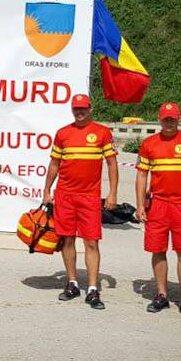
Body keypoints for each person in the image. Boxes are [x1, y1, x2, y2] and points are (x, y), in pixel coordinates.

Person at [42, 94, 118, 309]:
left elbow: (112, 164)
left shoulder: (102, 132)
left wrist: (112, 193)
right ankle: (72, 283)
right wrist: (47, 190)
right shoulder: (63, 133)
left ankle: (93, 289)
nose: (79, 112)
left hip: (89, 197)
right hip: (65, 195)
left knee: (91, 242)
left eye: (83, 108)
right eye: (76, 108)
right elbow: (54, 164)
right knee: (67, 240)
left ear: (90, 108)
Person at [135, 102, 181, 316]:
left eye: (172, 119)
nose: (168, 123)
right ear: (159, 119)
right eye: (165, 119)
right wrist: (140, 205)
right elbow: (141, 176)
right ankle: (162, 295)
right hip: (157, 205)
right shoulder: (149, 144)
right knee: (157, 250)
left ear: (178, 119)